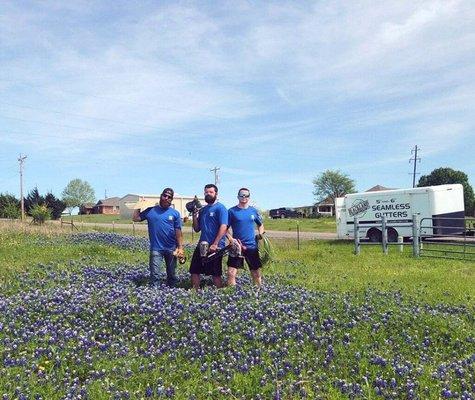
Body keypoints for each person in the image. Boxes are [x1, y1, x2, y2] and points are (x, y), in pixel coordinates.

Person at [132, 188, 184, 288]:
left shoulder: (175, 213)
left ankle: (171, 293)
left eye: (169, 197)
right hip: (156, 248)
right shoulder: (150, 210)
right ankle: (154, 293)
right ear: (161, 196)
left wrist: (180, 247)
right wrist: (138, 206)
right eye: (165, 195)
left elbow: (178, 231)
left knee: (172, 274)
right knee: (155, 274)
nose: (166, 198)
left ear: (171, 199)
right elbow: (135, 218)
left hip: (172, 248)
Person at [189, 184, 228, 289]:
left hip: (216, 246)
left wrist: (215, 244)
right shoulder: (203, 210)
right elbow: (197, 229)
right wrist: (194, 215)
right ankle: (195, 293)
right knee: (194, 270)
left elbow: (223, 227)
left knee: (215, 273)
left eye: (211, 192)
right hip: (202, 244)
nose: (208, 194)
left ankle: (219, 294)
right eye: (206, 192)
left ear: (216, 194)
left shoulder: (221, 208)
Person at [227, 188, 265, 286]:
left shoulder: (253, 211)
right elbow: (225, 228)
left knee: (256, 272)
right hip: (236, 246)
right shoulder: (231, 211)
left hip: (251, 245)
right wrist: (230, 239)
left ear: (249, 197)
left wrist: (260, 234)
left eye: (246, 195)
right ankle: (233, 293)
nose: (244, 197)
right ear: (238, 197)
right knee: (231, 272)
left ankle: (259, 290)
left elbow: (260, 224)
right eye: (242, 195)